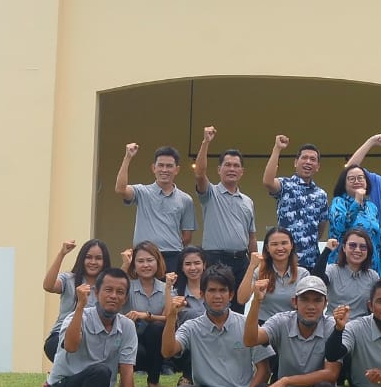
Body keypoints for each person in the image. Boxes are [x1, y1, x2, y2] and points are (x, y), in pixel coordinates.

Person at [163, 265, 271, 387]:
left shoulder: (246, 325)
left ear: (231, 295)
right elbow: (167, 351)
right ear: (202, 294)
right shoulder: (192, 327)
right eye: (212, 290)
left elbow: (264, 369)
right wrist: (171, 316)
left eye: (223, 290)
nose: (217, 296)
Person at [46, 267, 145, 387]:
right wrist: (80, 306)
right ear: (96, 292)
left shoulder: (127, 326)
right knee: (100, 371)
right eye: (108, 290)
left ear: (125, 298)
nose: (113, 296)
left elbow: (127, 370)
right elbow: (71, 346)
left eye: (120, 292)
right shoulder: (77, 317)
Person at [245, 275, 346, 387]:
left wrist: (285, 381)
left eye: (317, 300)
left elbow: (331, 374)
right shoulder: (281, 321)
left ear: (325, 303)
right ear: (294, 302)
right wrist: (256, 302)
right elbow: (250, 339)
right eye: (305, 299)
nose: (311, 306)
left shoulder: (332, 326)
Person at [191, 126, 256, 302]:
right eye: (227, 165)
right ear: (219, 169)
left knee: (239, 304)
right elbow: (199, 174)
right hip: (215, 259)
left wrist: (255, 264)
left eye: (236, 166)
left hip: (241, 261)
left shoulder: (248, 201)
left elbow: (251, 237)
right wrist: (206, 142)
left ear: (242, 171)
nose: (232, 169)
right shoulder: (210, 193)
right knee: (215, 303)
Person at [115, 143, 196, 274]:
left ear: (177, 169)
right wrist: (128, 157)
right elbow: (120, 189)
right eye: (161, 165)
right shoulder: (142, 192)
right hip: (144, 256)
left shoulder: (186, 199)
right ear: (154, 168)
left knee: (171, 288)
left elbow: (187, 237)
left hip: (172, 257)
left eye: (169, 166)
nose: (164, 169)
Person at [263, 135, 329, 269]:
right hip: (285, 261)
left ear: (317, 166)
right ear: (295, 162)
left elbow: (320, 229)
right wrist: (277, 148)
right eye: (304, 158)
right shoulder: (285, 185)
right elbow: (268, 181)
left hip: (312, 261)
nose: (308, 162)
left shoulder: (321, 195)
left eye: (313, 159)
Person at [41, 238, 107, 367]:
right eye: (88, 257)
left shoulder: (107, 286)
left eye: (98, 258)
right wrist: (62, 254)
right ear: (82, 259)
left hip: (94, 339)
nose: (93, 262)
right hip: (61, 336)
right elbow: (48, 286)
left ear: (104, 261)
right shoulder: (69, 279)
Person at [122, 241, 169, 387]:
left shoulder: (166, 288)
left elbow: (168, 318)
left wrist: (147, 316)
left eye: (150, 260)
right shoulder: (128, 286)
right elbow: (113, 285)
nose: (145, 265)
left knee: (158, 328)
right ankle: (126, 379)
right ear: (134, 265)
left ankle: (153, 381)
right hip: (131, 339)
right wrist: (125, 265)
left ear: (157, 262)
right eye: (140, 261)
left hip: (155, 342)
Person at [313, 229, 380, 320]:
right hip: (334, 323)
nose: (357, 250)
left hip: (361, 325)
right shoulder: (333, 270)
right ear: (344, 248)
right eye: (352, 245)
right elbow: (316, 280)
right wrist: (327, 250)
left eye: (363, 247)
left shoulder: (373, 276)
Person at [327, 165, 381, 267]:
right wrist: (357, 202)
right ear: (344, 183)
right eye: (352, 179)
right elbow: (340, 227)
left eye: (360, 178)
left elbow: (377, 241)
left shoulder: (371, 207)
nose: (357, 181)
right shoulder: (338, 202)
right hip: (344, 265)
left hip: (370, 266)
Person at [251, 226, 301, 322]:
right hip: (264, 324)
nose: (280, 248)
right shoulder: (259, 272)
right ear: (267, 248)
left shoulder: (303, 274)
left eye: (284, 243)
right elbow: (242, 299)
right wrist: (251, 267)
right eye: (274, 244)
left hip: (292, 325)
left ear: (291, 245)